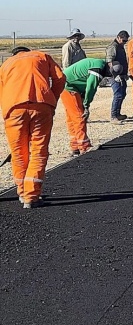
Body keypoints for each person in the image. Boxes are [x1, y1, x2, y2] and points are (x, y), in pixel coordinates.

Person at [0, 46, 65, 208]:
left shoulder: (6, 64)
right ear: (28, 51)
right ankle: (31, 196)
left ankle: (22, 192)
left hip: (14, 109)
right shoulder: (42, 56)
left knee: (18, 153)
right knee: (38, 151)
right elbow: (60, 78)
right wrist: (52, 100)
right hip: (41, 105)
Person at [62, 57, 119, 155]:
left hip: (69, 85)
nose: (109, 76)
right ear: (109, 67)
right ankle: (84, 146)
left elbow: (84, 81)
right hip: (69, 87)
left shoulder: (99, 63)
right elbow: (90, 88)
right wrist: (86, 106)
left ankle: (75, 145)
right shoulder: (98, 69)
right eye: (110, 74)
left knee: (72, 118)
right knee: (80, 117)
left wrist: (83, 99)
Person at [106, 30, 130, 122]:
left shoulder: (120, 46)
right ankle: (113, 116)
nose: (125, 43)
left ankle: (118, 113)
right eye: (123, 40)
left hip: (122, 75)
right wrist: (115, 75)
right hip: (114, 75)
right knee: (118, 94)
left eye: (126, 41)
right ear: (118, 38)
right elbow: (109, 62)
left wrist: (125, 74)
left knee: (123, 94)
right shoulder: (113, 47)